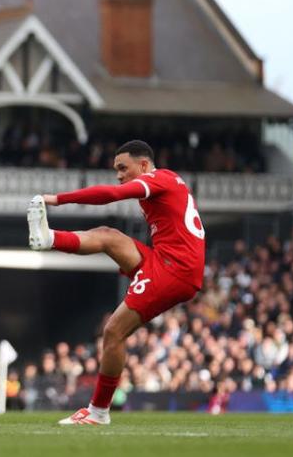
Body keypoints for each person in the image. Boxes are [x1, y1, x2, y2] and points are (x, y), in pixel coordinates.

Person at [27, 140, 205, 425]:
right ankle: (49, 238)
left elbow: (110, 194)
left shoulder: (156, 180)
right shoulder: (168, 180)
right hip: (164, 260)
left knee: (113, 332)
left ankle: (98, 411)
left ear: (144, 165)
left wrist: (56, 199)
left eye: (123, 168)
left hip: (175, 269)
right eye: (116, 170)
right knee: (108, 235)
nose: (119, 175)